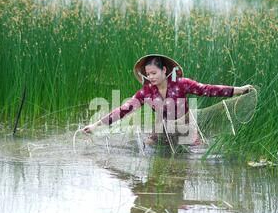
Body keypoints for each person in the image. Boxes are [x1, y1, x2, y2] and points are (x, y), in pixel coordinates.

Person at [82, 54, 253, 145]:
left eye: (154, 73)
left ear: (164, 70)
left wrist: (240, 90)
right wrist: (95, 125)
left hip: (186, 125)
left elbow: (208, 90)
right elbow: (123, 110)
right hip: (162, 128)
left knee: (195, 149)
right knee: (148, 146)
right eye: (147, 74)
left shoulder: (181, 84)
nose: (151, 77)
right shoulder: (146, 92)